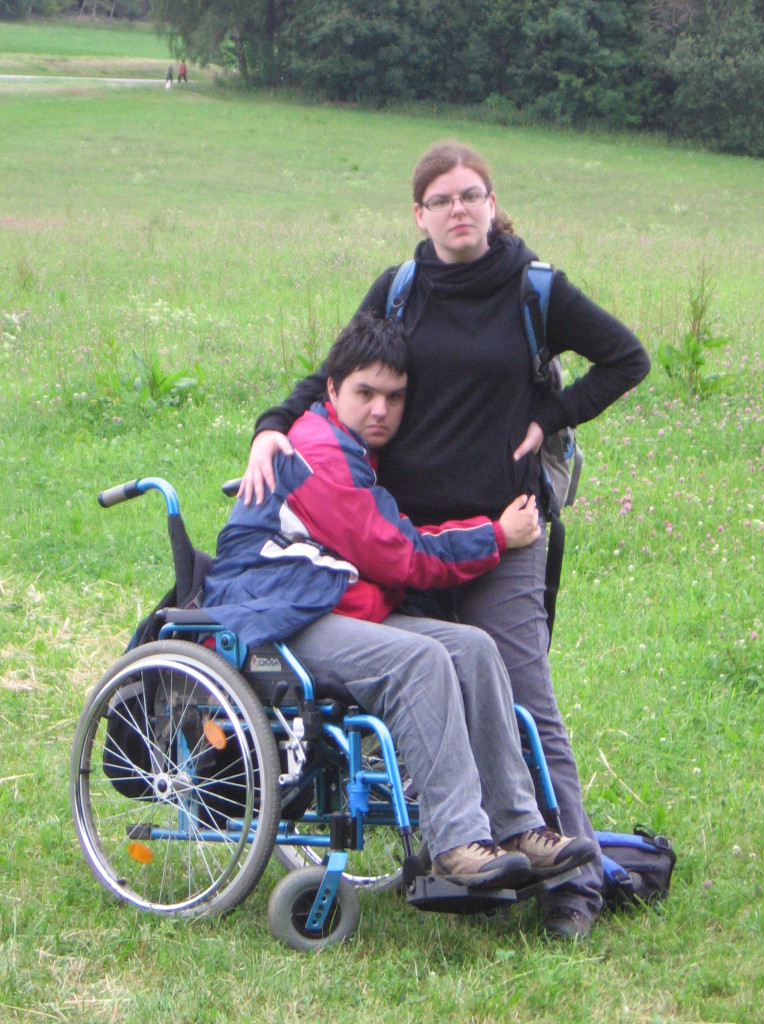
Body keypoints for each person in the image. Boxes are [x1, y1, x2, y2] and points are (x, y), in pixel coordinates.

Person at [239, 141, 651, 937]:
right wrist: (272, 427)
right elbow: (338, 375)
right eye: (442, 199)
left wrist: (551, 416)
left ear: (492, 204)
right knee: (433, 678)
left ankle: (573, 883)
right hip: (403, 537)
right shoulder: (399, 291)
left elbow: (625, 359)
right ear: (419, 214)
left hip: (504, 534)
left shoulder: (536, 289)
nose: (458, 210)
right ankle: (458, 856)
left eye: (472, 195)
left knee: (526, 699)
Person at [203, 312, 597, 892]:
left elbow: (380, 552)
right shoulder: (320, 451)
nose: (381, 410)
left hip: (322, 601)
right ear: (332, 389)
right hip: (279, 614)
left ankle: (517, 828)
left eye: (394, 397)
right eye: (365, 393)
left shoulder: (354, 447)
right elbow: (400, 555)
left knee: (474, 648)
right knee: (420, 659)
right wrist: (495, 535)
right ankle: (456, 845)